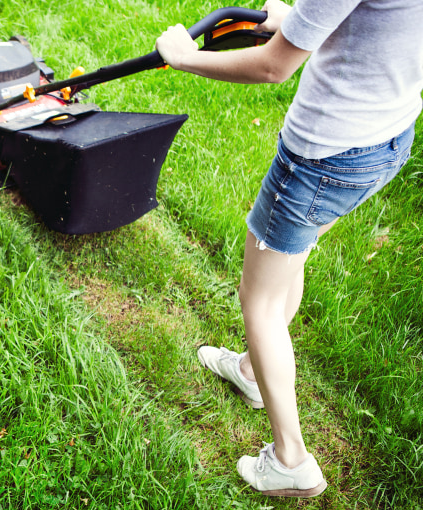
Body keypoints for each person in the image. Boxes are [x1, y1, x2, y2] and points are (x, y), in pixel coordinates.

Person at [156, 0, 423, 498]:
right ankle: (253, 374)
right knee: (289, 259)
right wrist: (301, 20)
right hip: (386, 138)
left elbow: (273, 65)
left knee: (258, 300)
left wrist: (183, 56)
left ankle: (290, 459)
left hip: (323, 155)